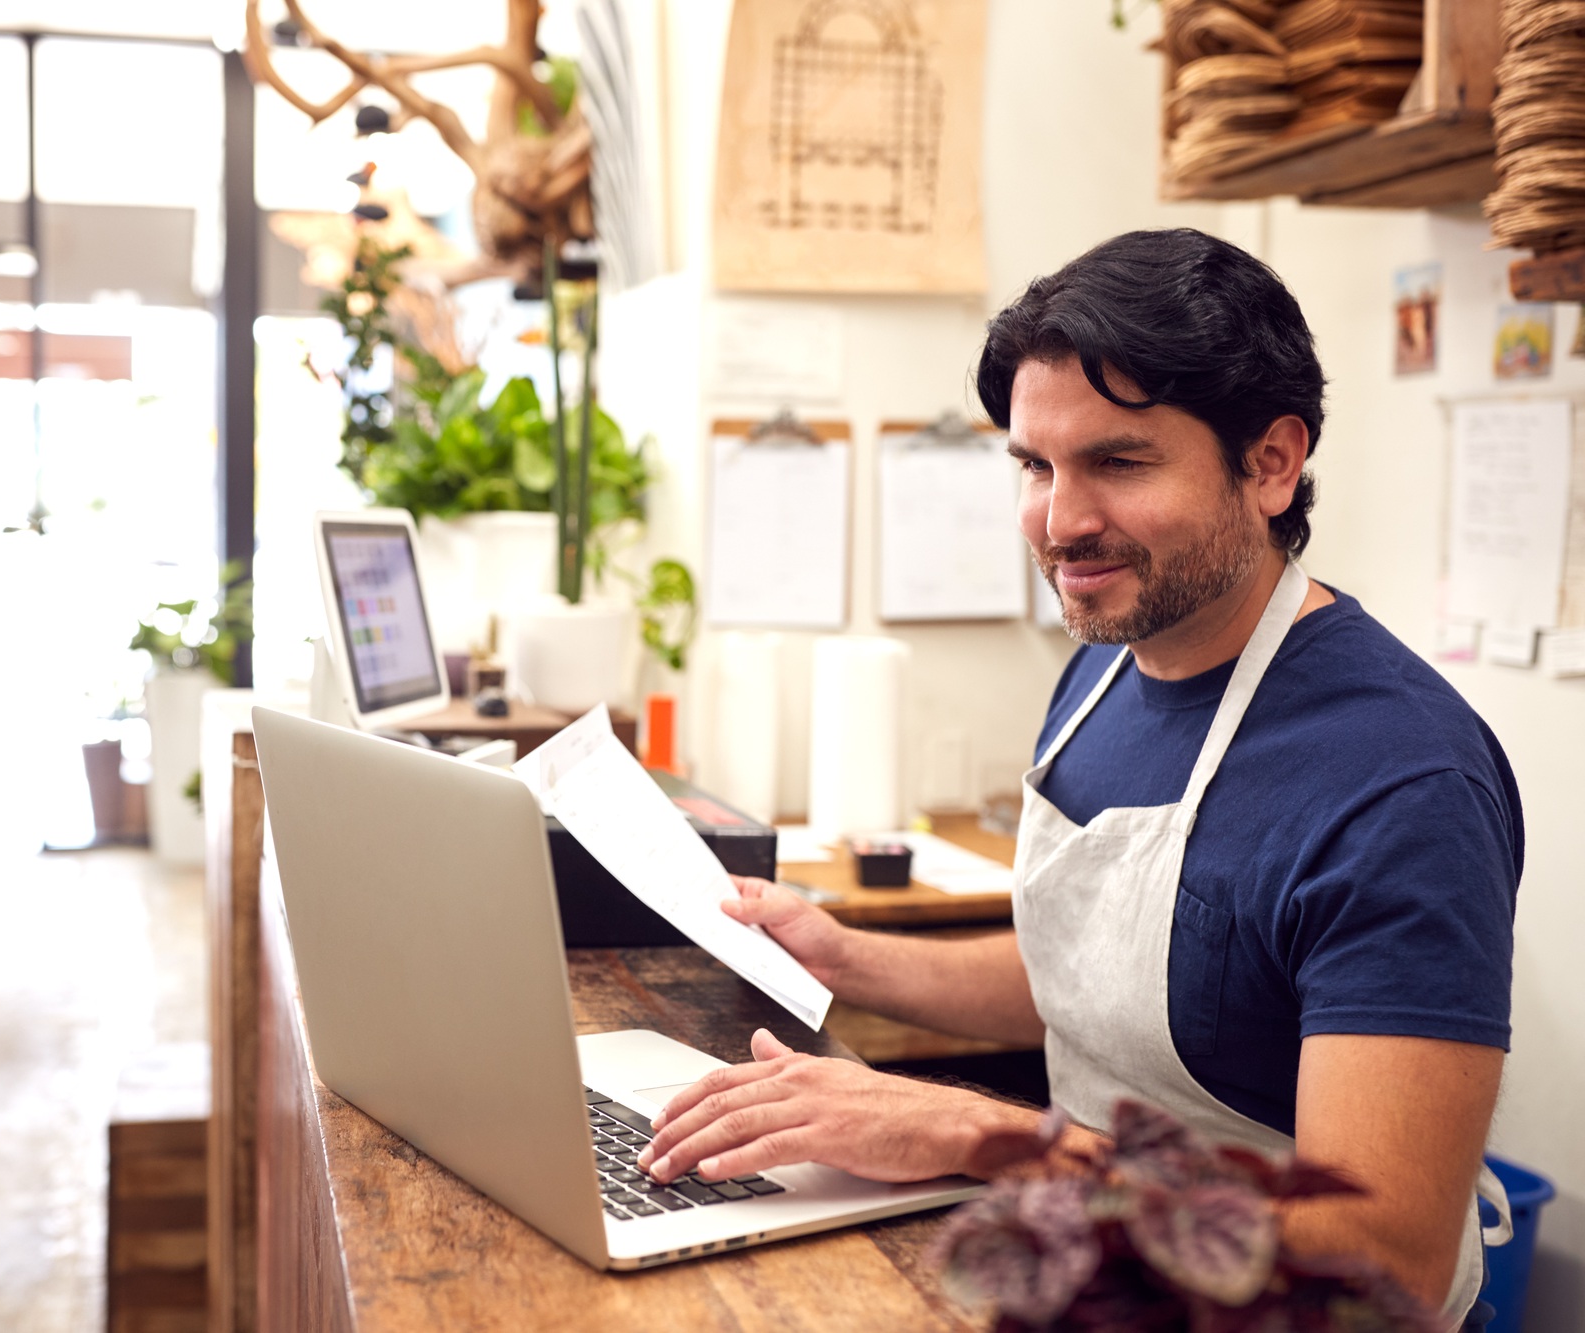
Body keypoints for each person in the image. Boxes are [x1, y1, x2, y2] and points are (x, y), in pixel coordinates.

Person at [639, 230, 1519, 1327]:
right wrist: (844, 956)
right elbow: (1110, 971)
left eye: (1117, 462)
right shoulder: (1104, 668)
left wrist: (975, 1132)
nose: (1058, 524)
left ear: (1270, 463)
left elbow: (1381, 1255)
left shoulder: (1398, 785)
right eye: (1033, 466)